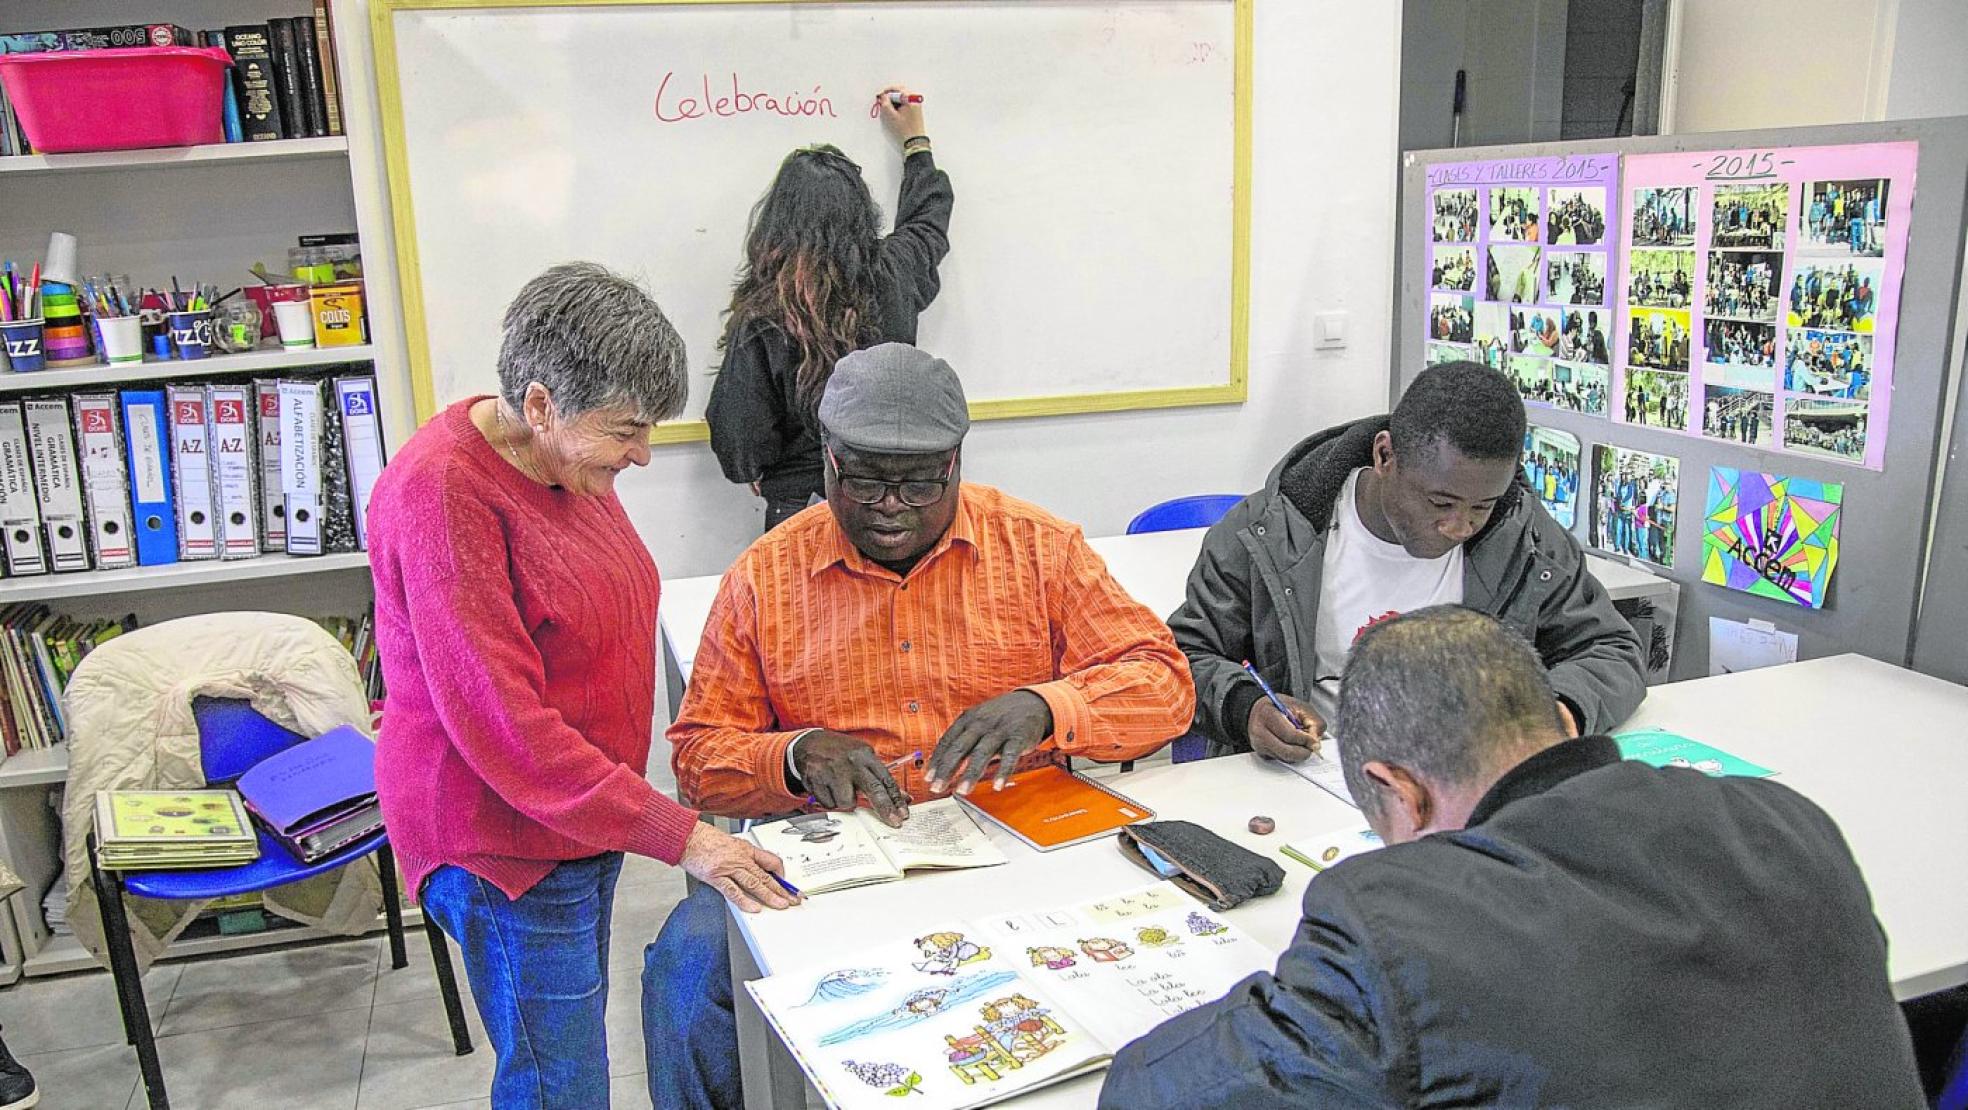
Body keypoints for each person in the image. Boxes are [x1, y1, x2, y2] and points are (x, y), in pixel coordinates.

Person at [645, 343, 1196, 1108]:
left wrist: (1049, 706)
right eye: (866, 480)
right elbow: (700, 760)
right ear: (829, 464)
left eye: (917, 483)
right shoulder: (765, 577)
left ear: (957, 464)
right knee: (686, 970)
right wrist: (796, 755)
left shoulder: (1038, 548)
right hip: (833, 859)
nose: (891, 505)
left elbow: (1165, 685)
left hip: (1016, 836)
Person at [1099, 606, 1923, 1108]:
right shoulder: (1781, 820)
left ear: (1401, 794)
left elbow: (1148, 1093)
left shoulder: (1402, 930)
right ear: (1565, 727)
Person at [368, 263, 797, 1108]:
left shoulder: (564, 464)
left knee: (570, 1053)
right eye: (627, 431)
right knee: (559, 1085)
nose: (642, 455)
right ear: (539, 404)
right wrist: (688, 837)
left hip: (575, 817)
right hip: (502, 839)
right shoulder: (444, 497)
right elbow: (509, 733)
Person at [1169, 361, 1643, 763]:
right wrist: (1247, 708)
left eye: (1482, 506)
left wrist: (1559, 710)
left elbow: (1611, 649)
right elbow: (1181, 657)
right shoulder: (1269, 533)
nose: (1460, 527)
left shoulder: (1524, 534)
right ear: (1385, 455)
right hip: (1314, 780)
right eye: (1441, 503)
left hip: (1467, 783)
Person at [705, 87, 956, 531]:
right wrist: (915, 141)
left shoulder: (766, 311)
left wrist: (758, 470)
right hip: (895, 497)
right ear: (862, 211)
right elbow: (927, 221)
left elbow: (740, 433)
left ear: (775, 223)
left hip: (801, 502)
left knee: (804, 602)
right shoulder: (895, 272)